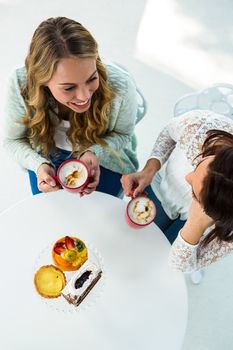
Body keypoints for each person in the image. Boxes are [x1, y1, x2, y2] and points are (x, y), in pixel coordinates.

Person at [4, 17, 139, 197]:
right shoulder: (20, 83)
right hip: (45, 153)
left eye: (92, 78)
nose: (84, 96)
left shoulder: (121, 85)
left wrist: (95, 152)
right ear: (42, 81)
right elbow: (13, 140)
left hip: (106, 157)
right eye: (69, 87)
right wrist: (39, 165)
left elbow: (123, 134)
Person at [121, 110, 233, 272]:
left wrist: (196, 223)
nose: (188, 177)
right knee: (134, 241)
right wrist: (150, 169)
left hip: (190, 223)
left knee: (157, 262)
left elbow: (179, 265)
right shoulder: (202, 126)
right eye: (200, 164)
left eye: (196, 194)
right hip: (162, 190)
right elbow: (169, 131)